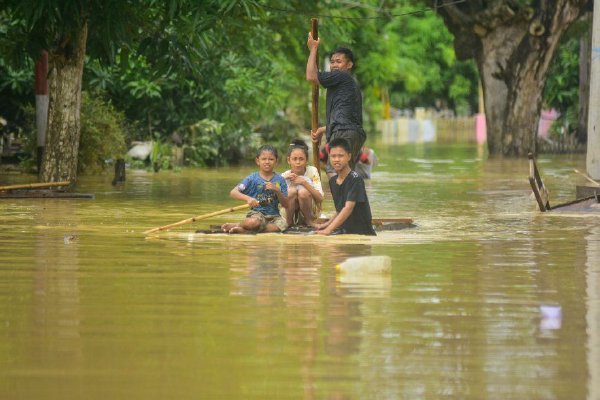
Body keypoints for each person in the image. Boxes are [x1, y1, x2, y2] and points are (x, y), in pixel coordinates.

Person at [306, 33, 366, 178]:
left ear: (349, 65)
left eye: (338, 62)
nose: (334, 65)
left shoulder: (342, 76)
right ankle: (348, 201)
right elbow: (346, 119)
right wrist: (322, 130)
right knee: (344, 173)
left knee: (335, 171)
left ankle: (342, 201)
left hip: (345, 133)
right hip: (351, 133)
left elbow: (311, 76)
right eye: (332, 62)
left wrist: (313, 49)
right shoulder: (347, 84)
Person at [221, 145, 289, 234]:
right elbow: (233, 192)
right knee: (253, 222)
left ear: (276, 161)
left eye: (271, 159)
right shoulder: (251, 179)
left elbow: (286, 204)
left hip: (274, 216)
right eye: (264, 159)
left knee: (282, 225)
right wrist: (248, 199)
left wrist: (277, 191)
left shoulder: (280, 180)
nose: (267, 162)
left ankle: (241, 228)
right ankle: (244, 225)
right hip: (256, 214)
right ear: (258, 161)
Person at [315, 138, 376, 236]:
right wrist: (327, 224)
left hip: (362, 233)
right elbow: (340, 209)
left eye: (340, 156)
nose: (336, 159)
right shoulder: (333, 181)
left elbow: (348, 208)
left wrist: (328, 230)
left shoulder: (356, 179)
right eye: (333, 156)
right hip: (345, 232)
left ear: (349, 156)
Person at [281, 139, 324, 227]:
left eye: (301, 159)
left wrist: (304, 182)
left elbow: (320, 198)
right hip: (290, 213)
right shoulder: (284, 175)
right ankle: (289, 222)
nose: (298, 162)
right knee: (290, 192)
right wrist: (282, 179)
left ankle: (309, 221)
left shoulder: (312, 171)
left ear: (306, 160)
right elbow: (273, 197)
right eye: (294, 159)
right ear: (289, 160)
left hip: (309, 211)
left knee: (303, 192)